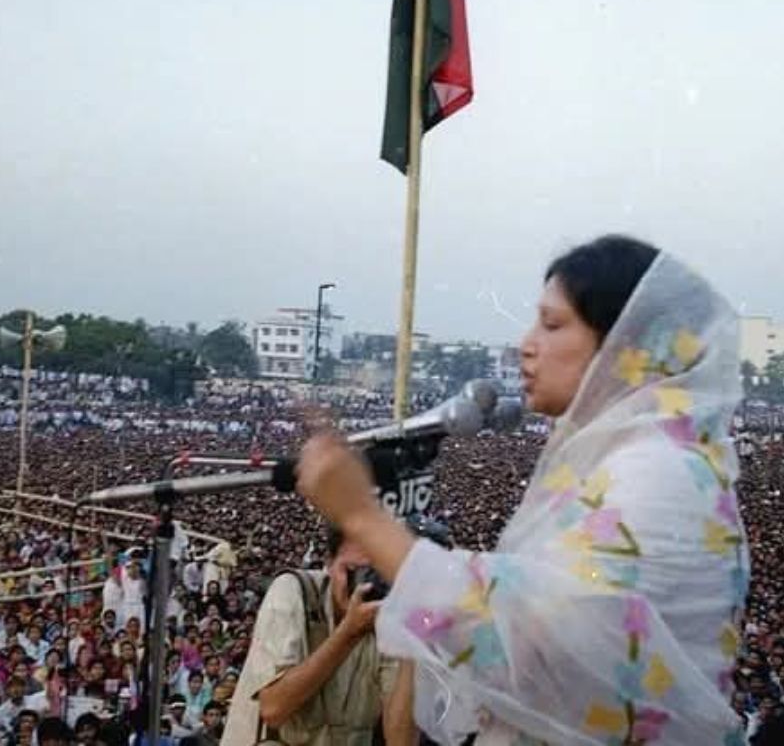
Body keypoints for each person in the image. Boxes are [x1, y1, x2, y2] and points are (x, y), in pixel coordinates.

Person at [294, 236, 750, 744]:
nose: (526, 343)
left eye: (552, 324)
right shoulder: (630, 459)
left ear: (624, 347)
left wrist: (362, 517)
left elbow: (541, 633)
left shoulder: (658, 474)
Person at [221, 526, 402, 745]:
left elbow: (402, 739)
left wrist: (412, 646)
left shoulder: (390, 619)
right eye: (352, 571)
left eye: (375, 574)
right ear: (328, 563)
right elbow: (273, 708)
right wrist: (349, 632)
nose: (362, 586)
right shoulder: (293, 591)